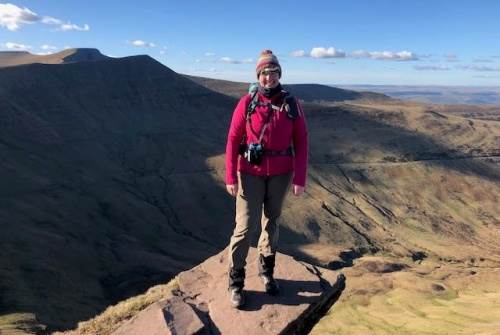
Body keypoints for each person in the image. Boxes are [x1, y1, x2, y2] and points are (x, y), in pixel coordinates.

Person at [225, 49, 308, 308]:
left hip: (281, 174)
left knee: (272, 221)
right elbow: (232, 139)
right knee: (245, 227)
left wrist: (300, 178)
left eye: (273, 73)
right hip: (249, 173)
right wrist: (230, 176)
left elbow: (302, 141)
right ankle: (236, 282)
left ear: (279, 74)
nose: (268, 77)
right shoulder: (247, 102)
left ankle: (266, 272)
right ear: (258, 76)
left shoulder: (291, 104)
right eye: (264, 73)